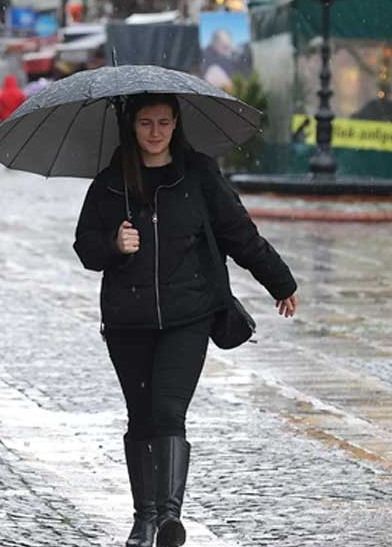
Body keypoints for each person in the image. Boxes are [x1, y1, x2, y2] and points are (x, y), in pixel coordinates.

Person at [73, 93, 297, 547]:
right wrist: (114, 244)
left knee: (169, 411)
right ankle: (145, 519)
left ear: (176, 124)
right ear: (131, 126)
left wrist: (280, 281)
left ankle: (169, 518)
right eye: (144, 123)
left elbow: (239, 233)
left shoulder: (199, 176)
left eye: (163, 122)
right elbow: (84, 247)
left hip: (187, 317)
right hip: (127, 321)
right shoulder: (110, 184)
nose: (154, 133)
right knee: (141, 416)